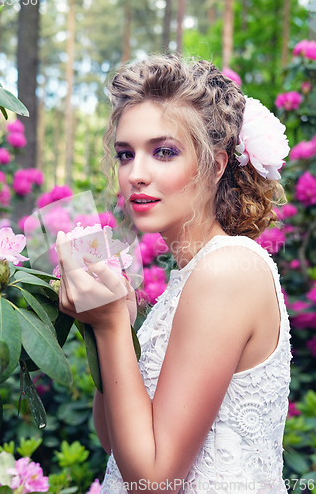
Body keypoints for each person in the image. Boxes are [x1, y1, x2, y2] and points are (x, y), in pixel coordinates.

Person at [56, 55, 291, 494]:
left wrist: (108, 329)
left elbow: (155, 482)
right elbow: (117, 444)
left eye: (164, 152)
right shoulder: (191, 276)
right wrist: (119, 327)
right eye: (125, 154)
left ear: (217, 165)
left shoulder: (227, 271)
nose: (136, 175)